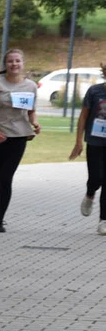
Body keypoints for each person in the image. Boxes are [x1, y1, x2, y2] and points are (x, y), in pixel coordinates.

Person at [0, 48, 41, 233]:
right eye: (10, 61)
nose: (14, 64)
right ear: (5, 65)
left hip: (19, 137)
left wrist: (35, 123)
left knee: (6, 178)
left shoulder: (30, 86)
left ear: (23, 64)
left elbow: (31, 111)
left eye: (17, 61)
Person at [68, 62, 106, 235]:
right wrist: (78, 142)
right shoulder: (94, 91)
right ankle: (90, 193)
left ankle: (103, 221)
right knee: (96, 178)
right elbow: (83, 117)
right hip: (95, 142)